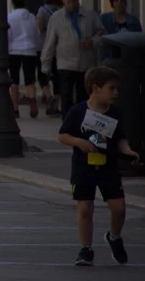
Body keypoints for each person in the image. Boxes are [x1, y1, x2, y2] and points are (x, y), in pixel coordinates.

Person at [57, 66, 139, 266]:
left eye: (118, 89)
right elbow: (62, 135)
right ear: (95, 88)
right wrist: (79, 143)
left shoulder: (116, 114)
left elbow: (120, 139)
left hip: (108, 166)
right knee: (85, 208)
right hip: (83, 167)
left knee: (118, 208)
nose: (116, 93)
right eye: (112, 88)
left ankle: (114, 237)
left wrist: (128, 151)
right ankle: (86, 249)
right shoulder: (78, 111)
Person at [41, 0, 105, 119]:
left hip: (86, 64)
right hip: (65, 64)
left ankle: (82, 124)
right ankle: (68, 125)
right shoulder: (56, 18)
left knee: (84, 97)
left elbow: (103, 35)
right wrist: (45, 65)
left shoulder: (90, 15)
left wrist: (93, 41)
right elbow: (50, 42)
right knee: (66, 96)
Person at [8, 0, 41, 118]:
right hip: (30, 50)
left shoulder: (10, 17)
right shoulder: (32, 17)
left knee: (14, 80)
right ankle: (33, 105)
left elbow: (8, 35)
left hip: (14, 50)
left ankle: (15, 108)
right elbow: (36, 34)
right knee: (30, 79)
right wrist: (37, 48)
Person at [37, 0, 64, 116]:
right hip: (59, 47)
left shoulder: (43, 10)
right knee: (58, 76)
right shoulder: (61, 10)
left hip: (45, 46)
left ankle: (48, 95)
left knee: (42, 74)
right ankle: (58, 104)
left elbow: (40, 27)